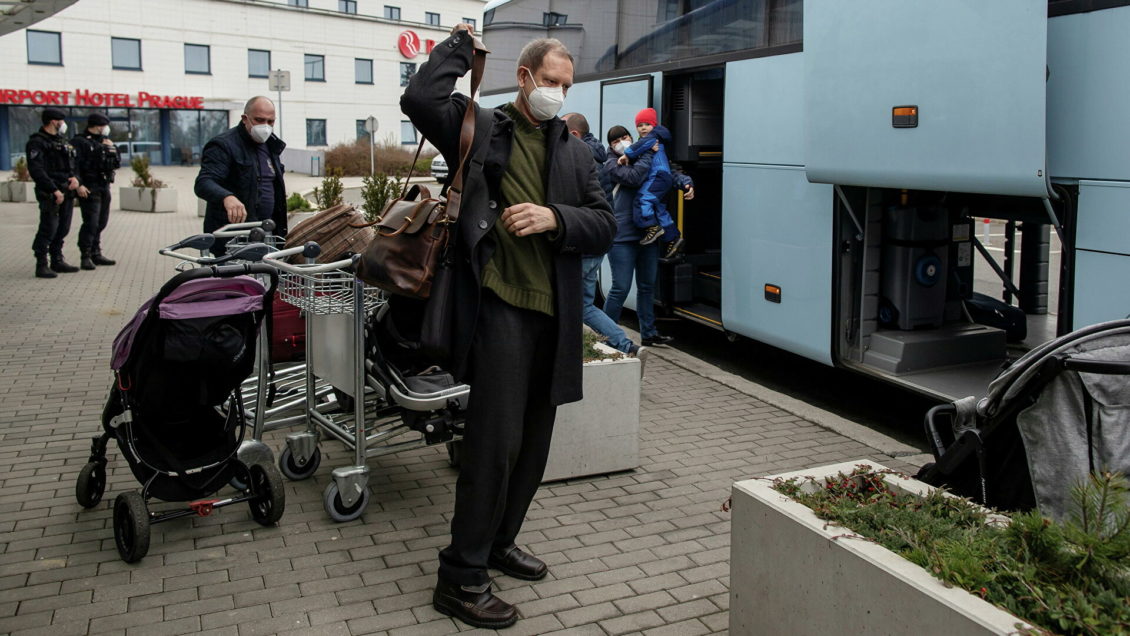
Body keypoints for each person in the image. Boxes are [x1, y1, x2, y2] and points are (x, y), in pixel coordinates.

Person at [401, 24, 615, 629]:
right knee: (493, 447)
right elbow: (418, 100)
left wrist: (555, 217)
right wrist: (459, 49)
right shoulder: (480, 128)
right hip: (496, 311)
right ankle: (460, 577)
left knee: (532, 447)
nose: (558, 94)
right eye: (550, 82)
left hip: (555, 316)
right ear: (523, 78)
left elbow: (603, 222)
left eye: (566, 86)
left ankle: (499, 544)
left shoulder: (573, 149)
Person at [603, 125, 694, 347]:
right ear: (611, 145)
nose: (622, 141)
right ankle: (605, 335)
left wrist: (686, 182)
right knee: (620, 288)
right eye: (616, 140)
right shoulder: (611, 164)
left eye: (625, 137)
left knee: (646, 287)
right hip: (622, 238)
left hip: (647, 235)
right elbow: (634, 178)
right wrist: (649, 152)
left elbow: (668, 173)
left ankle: (649, 333)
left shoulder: (640, 155)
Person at [563, 112, 641, 355]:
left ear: (574, 135)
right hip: (597, 243)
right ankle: (626, 345)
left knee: (567, 304)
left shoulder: (577, 158)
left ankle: (571, 353)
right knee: (584, 305)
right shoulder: (600, 156)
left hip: (581, 244)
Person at [194, 96, 288, 255]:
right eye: (259, 120)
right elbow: (204, 182)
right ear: (245, 119)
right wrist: (227, 197)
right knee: (235, 279)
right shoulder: (224, 145)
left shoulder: (271, 146)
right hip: (233, 237)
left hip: (267, 233)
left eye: (270, 121)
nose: (265, 126)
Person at [618, 107, 694, 258]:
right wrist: (686, 184)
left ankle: (651, 226)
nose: (643, 128)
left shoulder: (652, 138)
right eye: (640, 125)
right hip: (662, 177)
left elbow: (635, 149)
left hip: (657, 177)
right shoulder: (653, 139)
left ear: (654, 125)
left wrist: (626, 155)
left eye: (647, 124)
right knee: (658, 209)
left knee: (642, 200)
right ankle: (673, 238)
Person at [27, 107, 80, 279]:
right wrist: (53, 189)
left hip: (66, 190)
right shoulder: (37, 142)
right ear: (53, 121)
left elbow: (71, 165)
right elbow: (37, 170)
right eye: (61, 121)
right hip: (50, 192)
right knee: (48, 228)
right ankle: (41, 264)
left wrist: (74, 178)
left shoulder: (62, 141)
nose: (63, 124)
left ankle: (57, 260)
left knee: (63, 228)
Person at [71, 112, 121, 270]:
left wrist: (111, 148)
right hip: (88, 187)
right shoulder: (80, 142)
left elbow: (116, 163)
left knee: (101, 222)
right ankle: (85, 255)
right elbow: (74, 165)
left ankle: (96, 252)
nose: (106, 128)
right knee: (91, 223)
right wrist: (79, 184)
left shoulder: (106, 142)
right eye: (104, 125)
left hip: (104, 185)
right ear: (97, 126)